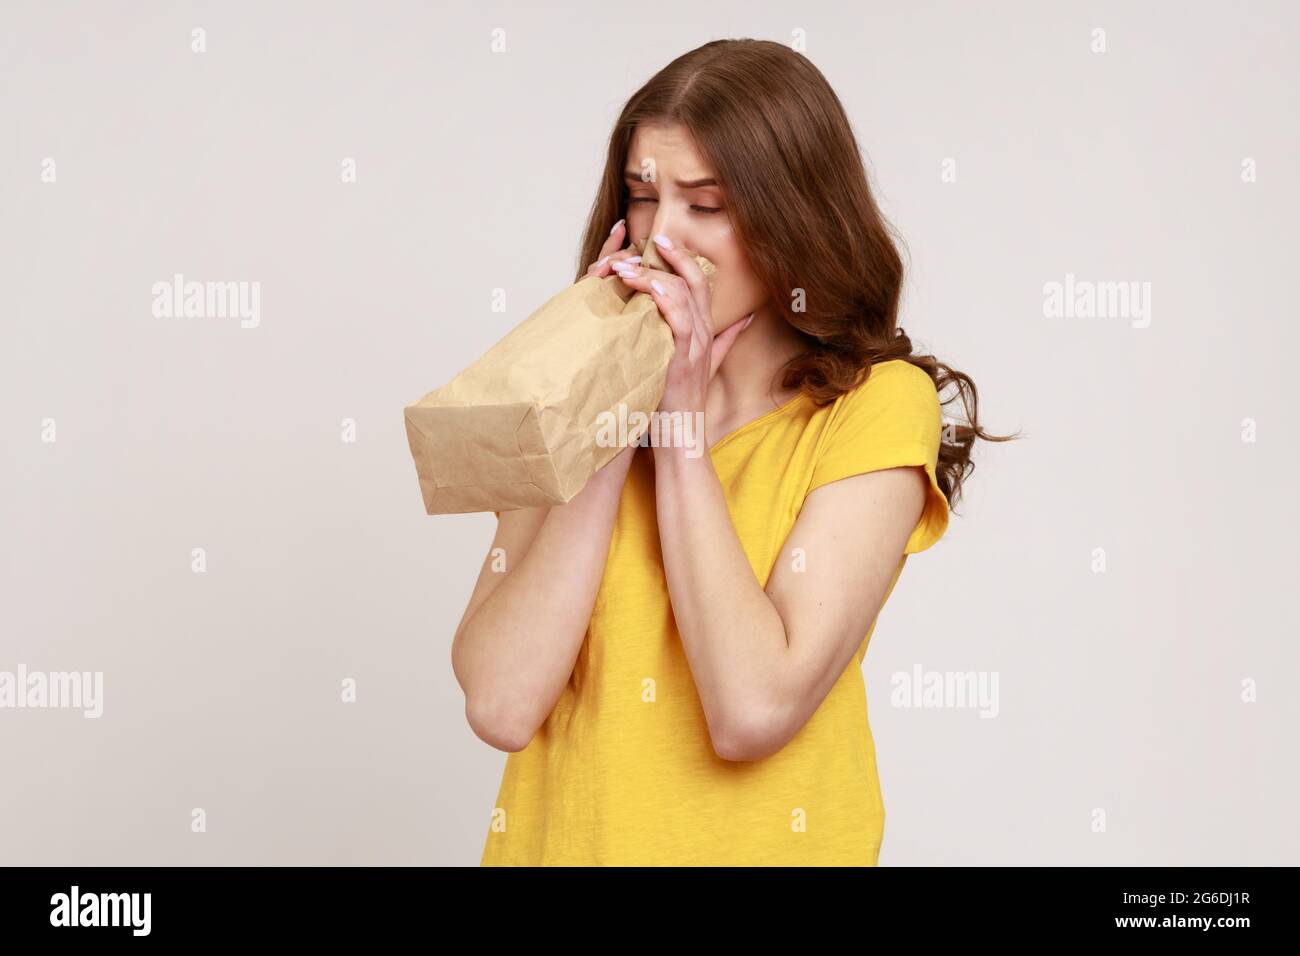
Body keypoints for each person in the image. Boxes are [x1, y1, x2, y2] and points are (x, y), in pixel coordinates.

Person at [452, 38, 1016, 866]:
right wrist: (613, 420)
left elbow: (752, 711)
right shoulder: (574, 398)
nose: (662, 238)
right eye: (643, 198)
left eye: (705, 206)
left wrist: (678, 440)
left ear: (792, 218)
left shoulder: (873, 409)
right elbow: (500, 704)